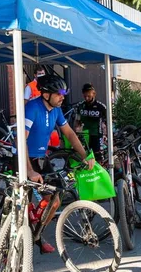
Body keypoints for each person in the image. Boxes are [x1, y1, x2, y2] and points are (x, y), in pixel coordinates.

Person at [24, 75, 95, 253]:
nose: (63, 97)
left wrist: (85, 155)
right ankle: (10, 248)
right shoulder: (32, 108)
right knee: (21, 207)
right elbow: (21, 141)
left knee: (54, 201)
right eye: (59, 93)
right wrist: (29, 170)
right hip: (23, 158)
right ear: (46, 94)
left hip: (41, 158)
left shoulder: (56, 110)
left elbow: (70, 134)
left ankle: (36, 235)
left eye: (64, 93)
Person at [74, 83, 107, 162]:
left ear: (94, 94)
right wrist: (76, 130)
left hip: (97, 134)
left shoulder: (101, 107)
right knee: (85, 157)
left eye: (89, 96)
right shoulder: (80, 106)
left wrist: (106, 134)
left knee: (98, 158)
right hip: (84, 135)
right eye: (85, 96)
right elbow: (77, 120)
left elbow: (107, 122)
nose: (87, 98)